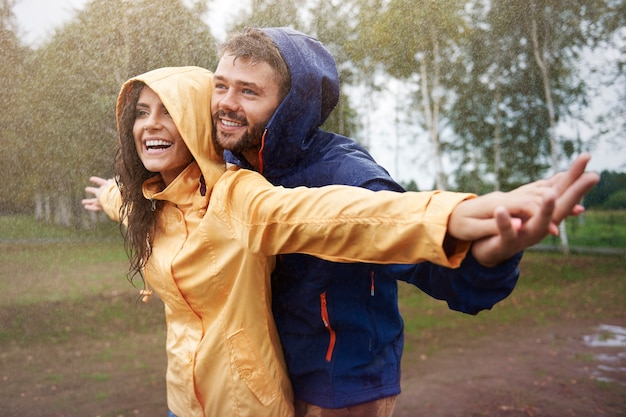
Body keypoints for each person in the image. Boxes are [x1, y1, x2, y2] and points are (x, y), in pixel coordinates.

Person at [83, 66, 597, 417]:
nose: (150, 124)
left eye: (166, 110)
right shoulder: (151, 205)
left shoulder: (237, 197)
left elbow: (337, 215)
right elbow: (130, 207)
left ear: (196, 120)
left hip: (245, 403)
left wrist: (457, 213)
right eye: (141, 112)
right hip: (180, 400)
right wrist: (109, 194)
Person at [210, 27, 598, 416]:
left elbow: (428, 257)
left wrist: (489, 255)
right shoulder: (233, 171)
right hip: (262, 381)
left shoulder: (350, 176)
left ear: (291, 106)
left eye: (248, 91)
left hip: (339, 388)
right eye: (221, 86)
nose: (227, 103)